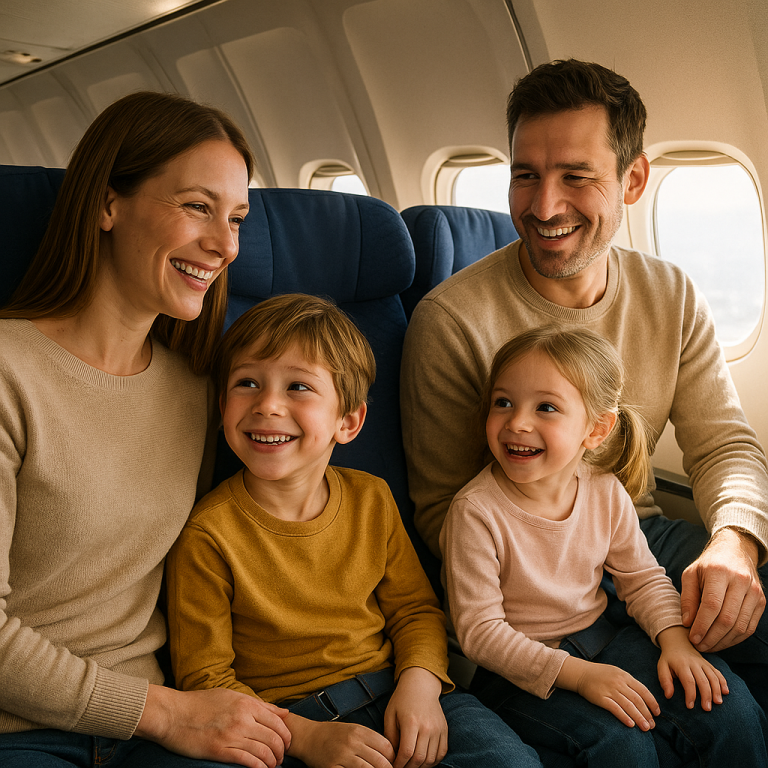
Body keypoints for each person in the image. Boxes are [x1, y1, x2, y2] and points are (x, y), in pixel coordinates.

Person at [400, 58, 768, 710]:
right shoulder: (452, 321)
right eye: (525, 177)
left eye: (576, 177)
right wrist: (579, 576)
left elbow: (725, 446)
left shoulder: (671, 293)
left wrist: (733, 545)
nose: (545, 207)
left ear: (633, 179)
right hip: (527, 571)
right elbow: (439, 512)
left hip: (639, 536)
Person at [0, 91, 293, 767]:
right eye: (197, 206)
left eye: (237, 219)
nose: (225, 244)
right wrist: (165, 714)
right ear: (107, 204)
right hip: (23, 730)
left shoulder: (197, 389)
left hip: (157, 723)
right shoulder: (12, 373)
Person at [165, 293, 543, 768]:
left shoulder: (372, 499)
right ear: (222, 408)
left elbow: (415, 612)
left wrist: (420, 686)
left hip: (398, 688)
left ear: (349, 421)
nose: (267, 406)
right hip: (287, 722)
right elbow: (206, 677)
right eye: (247, 383)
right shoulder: (208, 534)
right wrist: (304, 738)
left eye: (298, 387)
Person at [441, 325, 768, 767]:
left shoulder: (604, 490)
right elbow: (480, 633)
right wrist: (580, 676)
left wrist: (674, 640)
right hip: (517, 674)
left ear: (595, 429)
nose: (517, 422)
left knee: (730, 711)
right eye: (504, 403)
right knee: (624, 745)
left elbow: (643, 579)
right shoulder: (475, 512)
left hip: (605, 638)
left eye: (546, 408)